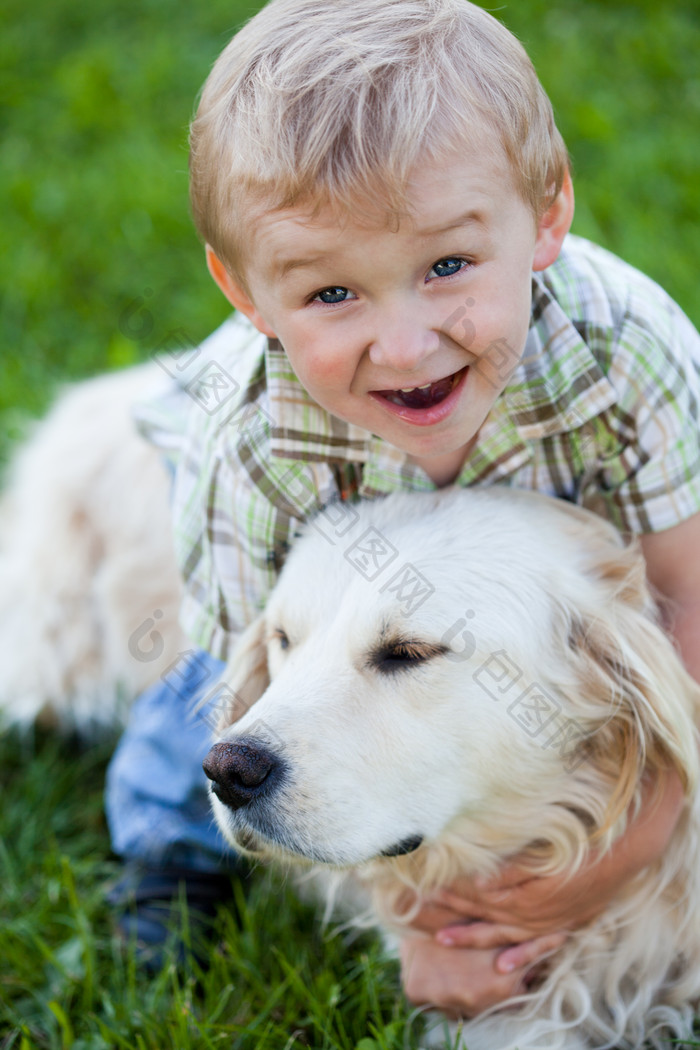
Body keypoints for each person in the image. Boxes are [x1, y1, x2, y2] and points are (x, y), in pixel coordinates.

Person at [106, 0, 700, 1016]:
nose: (407, 344)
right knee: (195, 716)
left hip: (547, 523)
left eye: (446, 267)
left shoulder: (630, 352)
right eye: (333, 294)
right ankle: (163, 859)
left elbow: (686, 600)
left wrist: (641, 835)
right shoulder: (247, 436)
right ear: (244, 294)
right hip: (265, 555)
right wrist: (417, 927)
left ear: (549, 213)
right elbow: (246, 669)